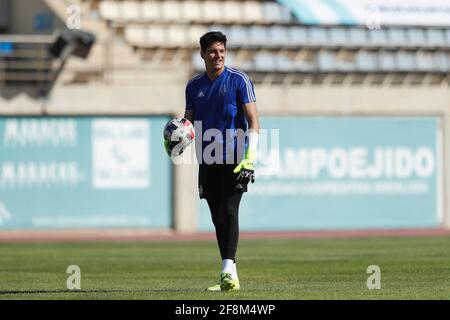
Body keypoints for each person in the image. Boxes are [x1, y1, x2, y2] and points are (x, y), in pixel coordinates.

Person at [183, 31, 260, 291]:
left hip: (236, 157)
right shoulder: (194, 86)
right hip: (207, 157)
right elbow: (188, 124)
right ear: (202, 53)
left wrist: (250, 157)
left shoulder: (239, 80)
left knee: (229, 210)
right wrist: (175, 137)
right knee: (217, 217)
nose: (218, 55)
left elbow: (254, 122)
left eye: (222, 50)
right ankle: (230, 275)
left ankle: (226, 269)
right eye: (213, 51)